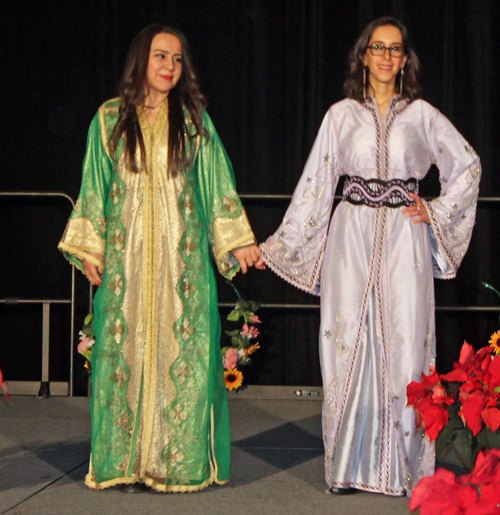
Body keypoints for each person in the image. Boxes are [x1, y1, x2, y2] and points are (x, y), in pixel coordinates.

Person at [259, 17, 480, 496]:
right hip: (350, 236)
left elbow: (468, 164)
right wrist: (280, 245)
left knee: (405, 342)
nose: (385, 56)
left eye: (394, 49)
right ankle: (347, 465)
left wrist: (436, 210)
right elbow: (317, 184)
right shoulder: (340, 115)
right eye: (377, 47)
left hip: (404, 238)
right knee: (347, 342)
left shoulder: (423, 115)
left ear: (404, 59)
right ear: (364, 55)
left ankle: (402, 468)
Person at [59, 24, 263, 493]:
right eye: (160, 56)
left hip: (182, 269)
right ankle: (125, 463)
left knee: (182, 359)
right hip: (126, 266)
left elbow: (216, 186)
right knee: (122, 360)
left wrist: (235, 240)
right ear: (141, 60)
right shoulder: (109, 118)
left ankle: (176, 462)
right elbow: (94, 187)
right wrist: (91, 248)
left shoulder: (193, 119)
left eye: (176, 59)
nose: (169, 66)